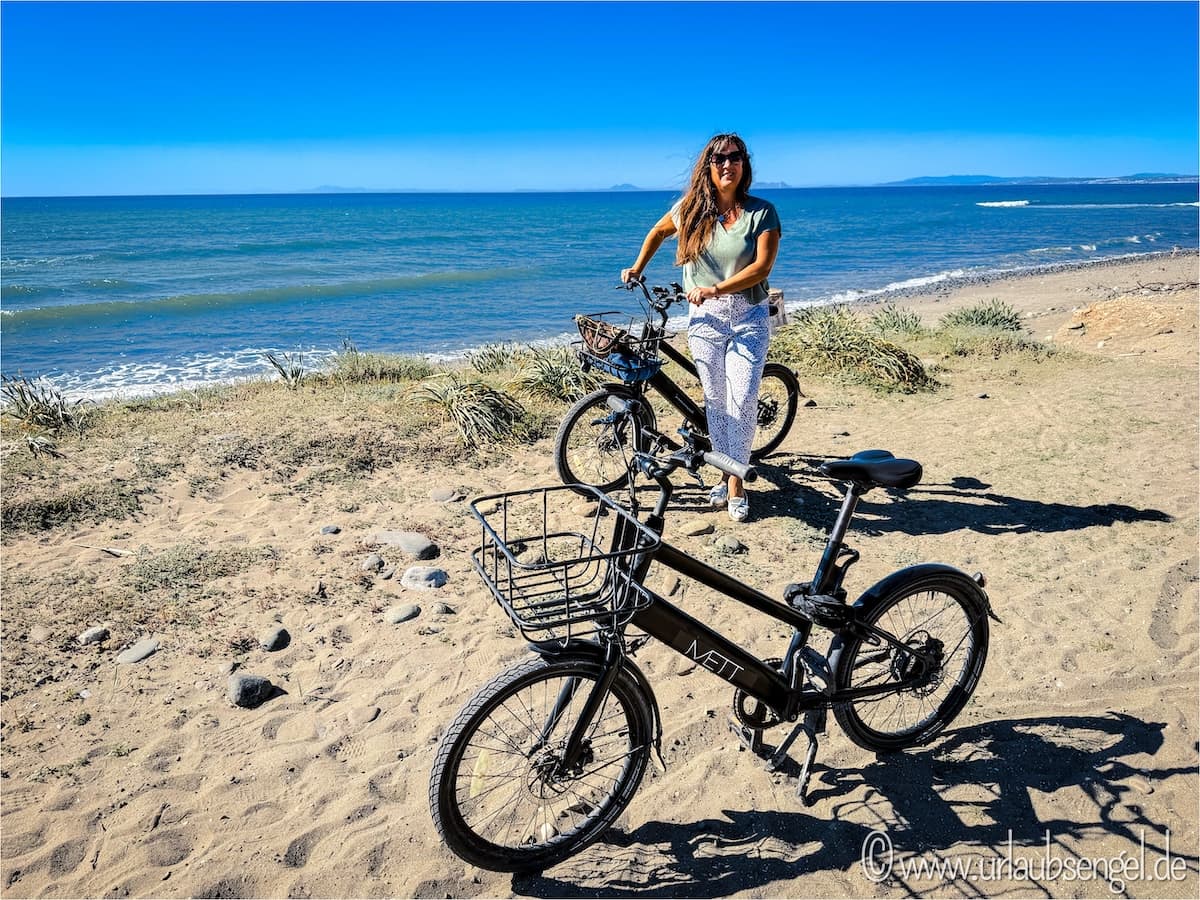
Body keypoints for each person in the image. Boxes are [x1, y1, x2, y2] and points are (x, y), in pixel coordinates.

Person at [621, 133, 781, 522]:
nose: (728, 164)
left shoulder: (762, 213)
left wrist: (716, 289)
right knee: (716, 401)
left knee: (742, 401)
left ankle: (736, 482)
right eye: (719, 158)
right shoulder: (691, 210)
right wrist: (637, 267)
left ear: (744, 164)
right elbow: (658, 232)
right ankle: (727, 472)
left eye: (735, 157)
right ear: (708, 166)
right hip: (704, 318)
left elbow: (761, 268)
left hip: (747, 314)